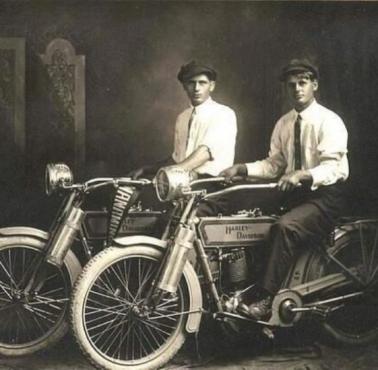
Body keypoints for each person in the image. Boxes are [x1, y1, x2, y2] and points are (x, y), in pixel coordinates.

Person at [220, 58, 349, 320]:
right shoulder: (284, 123)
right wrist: (241, 169)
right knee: (249, 217)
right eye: (291, 85)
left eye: (303, 83)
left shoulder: (329, 121)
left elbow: (333, 168)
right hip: (295, 195)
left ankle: (266, 301)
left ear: (314, 85)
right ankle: (240, 290)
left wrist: (302, 174)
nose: (297, 89)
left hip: (326, 196)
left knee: (285, 227)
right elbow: (274, 165)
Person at [129, 60, 237, 216]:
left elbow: (204, 153)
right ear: (184, 86)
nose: (197, 88)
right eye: (191, 83)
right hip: (183, 191)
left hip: (211, 192)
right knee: (154, 218)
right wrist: (146, 169)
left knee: (178, 223)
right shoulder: (182, 118)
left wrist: (169, 172)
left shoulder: (223, 114)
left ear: (212, 86)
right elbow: (177, 159)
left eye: (202, 83)